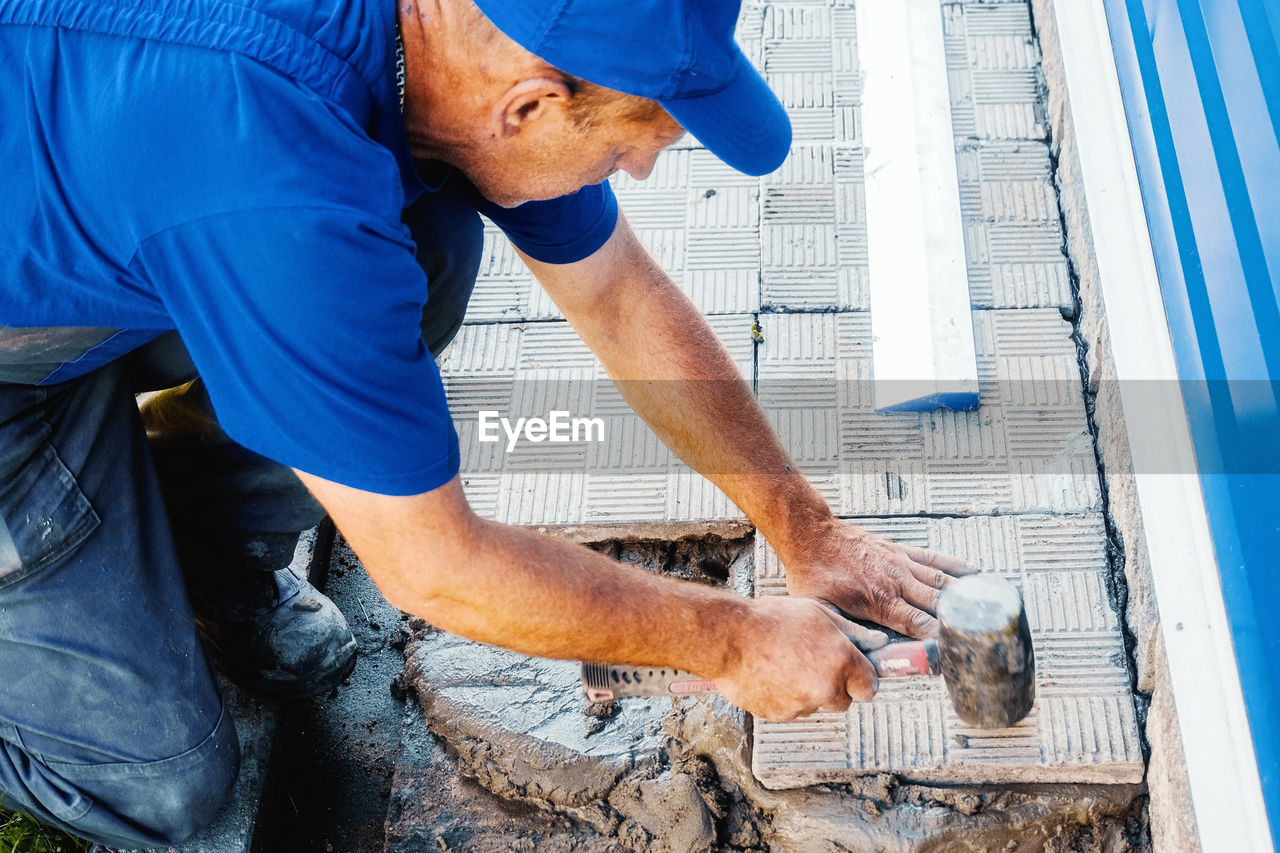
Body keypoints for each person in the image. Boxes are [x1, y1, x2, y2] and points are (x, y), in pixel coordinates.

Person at [0, 0, 971, 846]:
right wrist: (730, 642)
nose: (633, 168)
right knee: (166, 784)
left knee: (422, 244)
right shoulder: (277, 172)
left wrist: (805, 528)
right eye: (633, 138)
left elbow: (620, 299)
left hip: (87, 245)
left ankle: (190, 558)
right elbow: (433, 568)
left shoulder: (469, 43)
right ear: (530, 105)